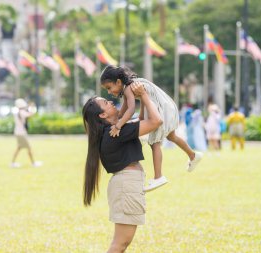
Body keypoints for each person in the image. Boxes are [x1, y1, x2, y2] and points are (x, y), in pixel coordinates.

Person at [82, 82, 162, 253]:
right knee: (120, 244)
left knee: (122, 244)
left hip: (125, 185)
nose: (111, 102)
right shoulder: (115, 132)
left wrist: (139, 97)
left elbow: (140, 121)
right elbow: (156, 121)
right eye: (106, 103)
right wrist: (145, 96)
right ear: (103, 114)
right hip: (127, 185)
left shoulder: (115, 131)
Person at [100, 65, 203, 192]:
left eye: (109, 88)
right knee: (172, 136)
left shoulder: (128, 89)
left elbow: (131, 110)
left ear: (118, 82)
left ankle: (158, 176)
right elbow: (125, 110)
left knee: (154, 143)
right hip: (167, 106)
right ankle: (193, 155)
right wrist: (138, 117)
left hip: (160, 108)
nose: (109, 92)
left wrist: (118, 125)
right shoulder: (132, 86)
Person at [10, 98, 42, 168]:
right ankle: (33, 163)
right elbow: (31, 114)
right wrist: (33, 107)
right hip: (21, 133)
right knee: (29, 148)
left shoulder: (17, 112)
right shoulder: (21, 112)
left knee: (19, 148)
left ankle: (12, 163)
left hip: (18, 132)